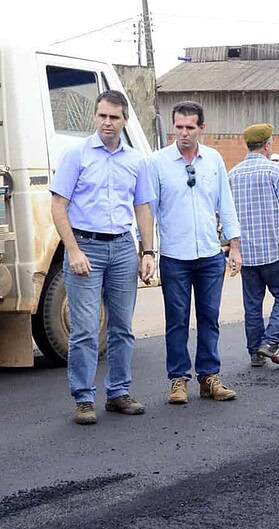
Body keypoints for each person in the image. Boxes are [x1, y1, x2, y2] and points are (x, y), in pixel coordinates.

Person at [50, 90, 156, 425]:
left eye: (114, 117)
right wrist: (74, 250)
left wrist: (148, 252)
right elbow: (58, 206)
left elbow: (143, 208)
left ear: (125, 120)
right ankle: (83, 399)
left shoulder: (135, 160)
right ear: (95, 117)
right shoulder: (76, 155)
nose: (107, 123)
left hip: (123, 248)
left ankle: (119, 393)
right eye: (102, 116)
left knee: (122, 327)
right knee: (83, 329)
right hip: (86, 247)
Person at [148, 101, 241, 404]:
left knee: (209, 317)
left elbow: (225, 204)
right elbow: (147, 210)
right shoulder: (158, 162)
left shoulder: (213, 159)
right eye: (179, 127)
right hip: (175, 256)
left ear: (202, 128)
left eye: (190, 127)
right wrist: (147, 252)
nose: (184, 133)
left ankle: (209, 377)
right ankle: (178, 380)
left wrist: (234, 247)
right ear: (172, 127)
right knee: (176, 320)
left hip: (210, 255)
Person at [229, 123, 279, 367]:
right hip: (274, 250)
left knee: (252, 304)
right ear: (267, 144)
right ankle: (270, 342)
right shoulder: (275, 171)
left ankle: (254, 352)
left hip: (247, 254)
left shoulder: (234, 174)